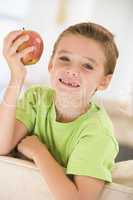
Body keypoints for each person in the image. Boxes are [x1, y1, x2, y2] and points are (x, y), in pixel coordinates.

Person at [0, 22, 119, 200]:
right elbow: (2, 145)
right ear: (50, 64)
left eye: (87, 66)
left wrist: (39, 152)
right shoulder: (36, 98)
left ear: (104, 81)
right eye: (65, 59)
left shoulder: (98, 132)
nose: (72, 70)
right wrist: (17, 77)